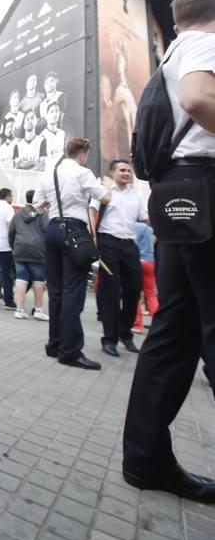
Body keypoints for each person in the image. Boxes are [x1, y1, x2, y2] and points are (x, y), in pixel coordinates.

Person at [123, 0, 215, 503]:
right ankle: (146, 459)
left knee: (175, 331)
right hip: (206, 185)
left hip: (177, 191)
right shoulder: (207, 44)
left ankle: (145, 459)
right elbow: (200, 99)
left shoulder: (174, 52)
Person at [34, 137, 111, 369]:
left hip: (52, 230)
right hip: (74, 231)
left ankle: (55, 344)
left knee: (56, 290)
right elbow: (106, 197)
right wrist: (104, 184)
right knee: (73, 292)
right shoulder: (82, 172)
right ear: (83, 154)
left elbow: (38, 203)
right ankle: (70, 351)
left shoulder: (50, 173)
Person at [90, 159, 147, 357]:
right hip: (108, 243)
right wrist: (93, 236)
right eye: (122, 170)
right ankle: (109, 339)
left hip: (130, 245)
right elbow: (92, 210)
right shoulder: (105, 192)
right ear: (113, 173)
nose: (126, 173)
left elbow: (146, 218)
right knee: (110, 291)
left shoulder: (136, 197)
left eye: (129, 171)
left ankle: (125, 333)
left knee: (134, 289)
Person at [8, 189, 49, 320]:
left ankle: (19, 310)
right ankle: (38, 310)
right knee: (38, 280)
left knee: (21, 279)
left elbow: (11, 232)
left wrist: (13, 246)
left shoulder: (18, 213)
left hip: (20, 249)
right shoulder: (42, 214)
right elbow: (47, 231)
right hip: (38, 251)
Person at [132, 221, 158, 334]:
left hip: (137, 261)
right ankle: (158, 323)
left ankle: (137, 325)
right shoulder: (150, 229)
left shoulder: (133, 227)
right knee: (150, 295)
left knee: (135, 295)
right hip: (150, 262)